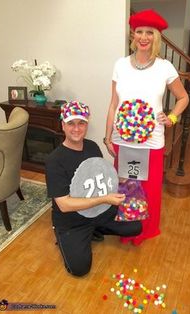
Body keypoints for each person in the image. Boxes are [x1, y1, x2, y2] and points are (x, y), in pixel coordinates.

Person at [104, 9, 189, 245]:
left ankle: (143, 231)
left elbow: (183, 98)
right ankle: (125, 230)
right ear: (134, 35)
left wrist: (171, 118)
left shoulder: (165, 67)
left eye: (149, 32)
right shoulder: (120, 65)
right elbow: (113, 104)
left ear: (156, 36)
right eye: (139, 31)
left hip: (151, 141)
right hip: (122, 139)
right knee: (125, 185)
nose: (143, 37)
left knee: (147, 188)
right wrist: (107, 136)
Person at [45, 101, 142, 277]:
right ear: (63, 125)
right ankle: (63, 236)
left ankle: (94, 229)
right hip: (71, 221)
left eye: (81, 123)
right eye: (71, 123)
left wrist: (121, 179)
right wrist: (105, 199)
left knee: (135, 227)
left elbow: (102, 178)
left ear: (87, 124)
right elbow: (64, 205)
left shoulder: (92, 147)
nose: (76, 128)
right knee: (80, 269)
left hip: (98, 211)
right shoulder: (54, 160)